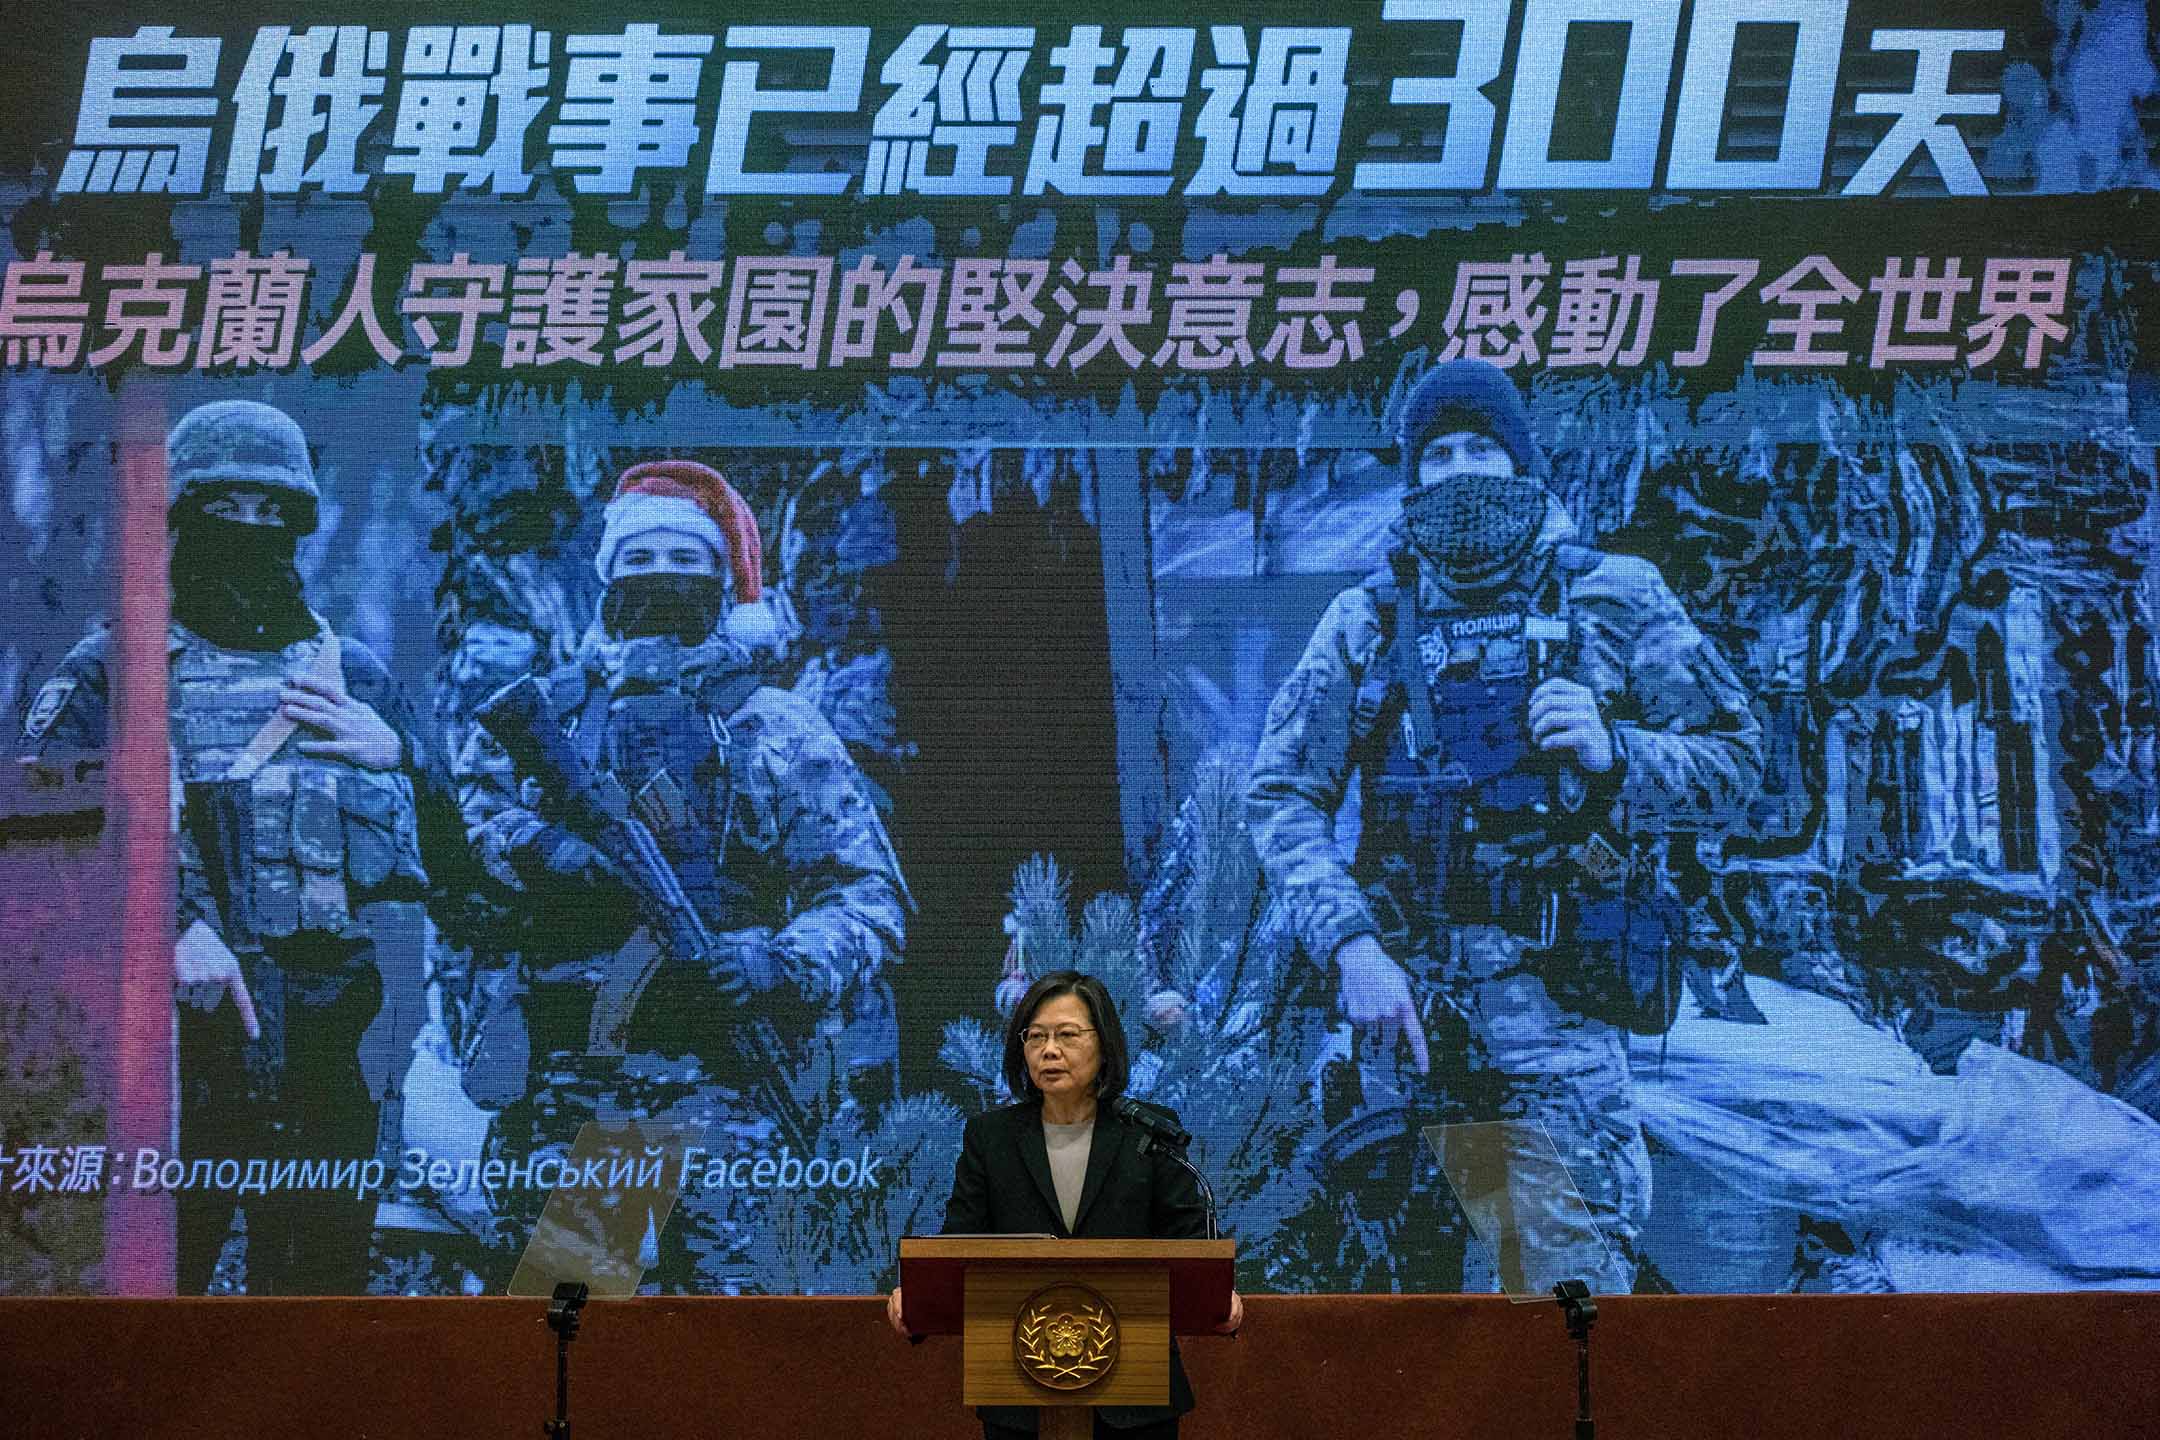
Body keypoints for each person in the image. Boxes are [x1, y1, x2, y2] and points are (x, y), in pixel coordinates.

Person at [1245, 360, 1762, 1292]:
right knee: (1413, 1308)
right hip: (1409, 1024)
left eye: (1481, 447)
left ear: (1520, 462)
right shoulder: (1368, 620)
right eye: (1437, 454)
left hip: (1559, 1025)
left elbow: (1741, 767)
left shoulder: (1615, 595)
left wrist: (1620, 752)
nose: (1460, 471)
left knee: (1568, 1302)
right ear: (1412, 476)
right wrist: (1350, 943)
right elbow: (1281, 794)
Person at [454, 458, 910, 1289]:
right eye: (639, 561)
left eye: (686, 562)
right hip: (574, 1091)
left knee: (736, 1347)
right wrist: (551, 853)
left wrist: (771, 959)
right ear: (605, 580)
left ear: (723, 581)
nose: (661, 579)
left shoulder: (776, 730)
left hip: (728, 1089)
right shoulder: (545, 720)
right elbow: (464, 845)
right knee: (574, 1338)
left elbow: (869, 900)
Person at [20, 399, 437, 1294]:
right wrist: (166, 928)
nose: (248, 530)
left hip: (328, 1048)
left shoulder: (352, 674)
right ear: (178, 519)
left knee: (311, 1322)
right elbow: (39, 853)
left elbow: (458, 863)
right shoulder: (111, 671)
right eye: (223, 508)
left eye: (270, 512)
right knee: (145, 1320)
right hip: (160, 1055)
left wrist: (398, 756)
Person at [885, 971, 1241, 1438]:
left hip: (1136, 1402)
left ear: (1104, 1043)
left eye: (1067, 1035)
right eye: (1036, 1037)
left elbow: (1188, 1241)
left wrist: (1216, 1297)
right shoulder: (991, 1138)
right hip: (1021, 1393)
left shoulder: (1149, 1133)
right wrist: (919, 1299)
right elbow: (960, 1244)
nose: (1049, 1050)